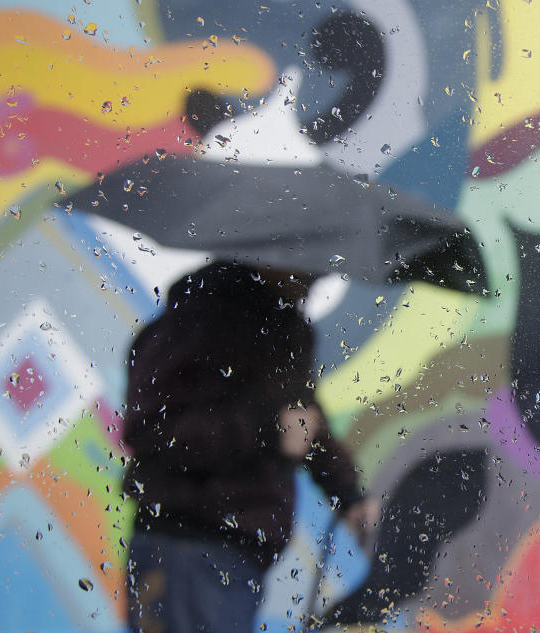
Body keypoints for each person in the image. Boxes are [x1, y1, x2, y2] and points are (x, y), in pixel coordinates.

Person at [122, 261, 373, 633]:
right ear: (267, 256)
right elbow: (154, 429)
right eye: (305, 268)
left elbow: (302, 419)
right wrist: (266, 429)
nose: (313, 281)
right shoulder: (200, 318)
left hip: (235, 551)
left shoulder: (279, 329)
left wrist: (349, 495)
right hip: (186, 543)